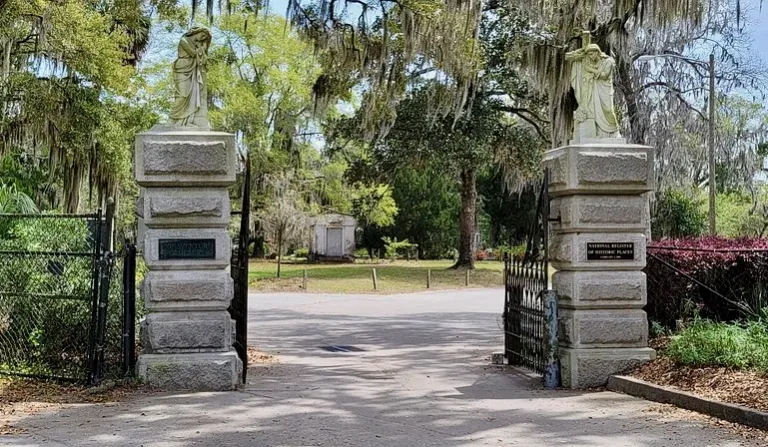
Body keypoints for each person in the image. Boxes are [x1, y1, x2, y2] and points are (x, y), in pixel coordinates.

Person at [565, 43, 621, 141]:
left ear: (597, 52)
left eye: (591, 54)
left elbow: (604, 75)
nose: (589, 57)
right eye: (588, 55)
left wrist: (589, 69)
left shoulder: (609, 61)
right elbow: (570, 57)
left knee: (608, 109)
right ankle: (600, 133)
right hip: (595, 88)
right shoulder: (593, 63)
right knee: (596, 110)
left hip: (605, 89)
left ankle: (614, 133)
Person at [169, 27, 212, 129]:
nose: (203, 38)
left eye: (205, 38)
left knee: (192, 97)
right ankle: (173, 120)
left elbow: (202, 59)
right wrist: (203, 48)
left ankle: (187, 121)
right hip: (182, 69)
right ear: (197, 31)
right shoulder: (184, 40)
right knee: (182, 95)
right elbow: (193, 53)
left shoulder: (197, 44)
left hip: (192, 69)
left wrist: (203, 47)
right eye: (203, 35)